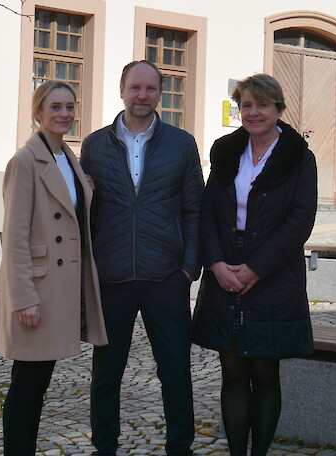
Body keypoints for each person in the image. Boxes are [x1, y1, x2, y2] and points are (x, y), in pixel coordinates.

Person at [81, 60, 204, 456]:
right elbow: (88, 214)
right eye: (135, 87)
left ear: (160, 94)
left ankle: (179, 447)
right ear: (121, 90)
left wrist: (189, 268)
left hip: (165, 276)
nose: (142, 95)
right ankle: (104, 447)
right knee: (106, 374)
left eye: (151, 89)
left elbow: (194, 210)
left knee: (175, 371)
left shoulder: (181, 144)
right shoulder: (95, 144)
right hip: (111, 277)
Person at [191, 73, 317, 456]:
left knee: (264, 372)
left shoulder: (298, 157)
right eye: (246, 104)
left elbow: (300, 220)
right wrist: (214, 262)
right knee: (231, 372)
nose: (254, 112)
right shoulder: (226, 151)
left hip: (274, 274)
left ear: (278, 110)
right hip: (225, 267)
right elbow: (208, 209)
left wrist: (257, 267)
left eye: (262, 104)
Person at [0, 80, 108, 456]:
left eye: (69, 107)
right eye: (55, 107)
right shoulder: (25, 161)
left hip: (62, 285)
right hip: (38, 290)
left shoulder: (68, 158)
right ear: (38, 112)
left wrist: (85, 188)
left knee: (38, 381)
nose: (64, 114)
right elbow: (14, 236)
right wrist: (24, 298)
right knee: (28, 382)